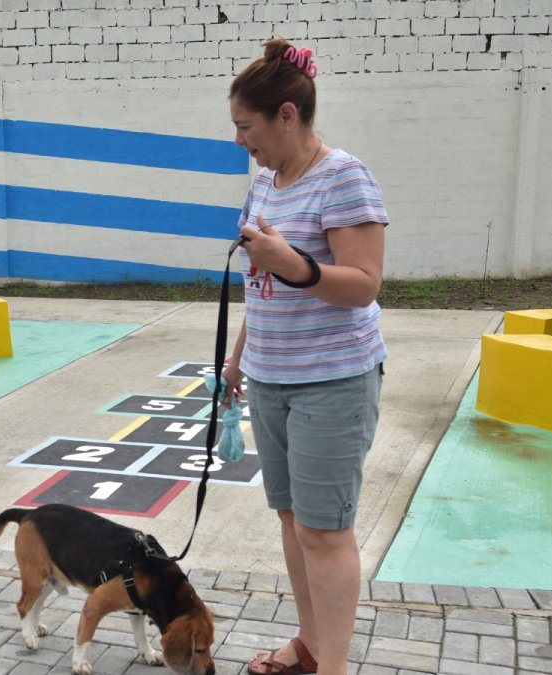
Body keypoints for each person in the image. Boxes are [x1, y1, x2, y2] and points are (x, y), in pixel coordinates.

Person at [221, 39, 389, 675]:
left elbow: (365, 282)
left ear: (286, 115)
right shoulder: (263, 183)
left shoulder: (344, 175)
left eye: (247, 126)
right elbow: (257, 288)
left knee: (325, 531)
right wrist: (238, 361)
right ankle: (312, 645)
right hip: (270, 377)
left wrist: (293, 264)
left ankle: (333, 667)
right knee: (294, 522)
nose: (241, 140)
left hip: (333, 380)